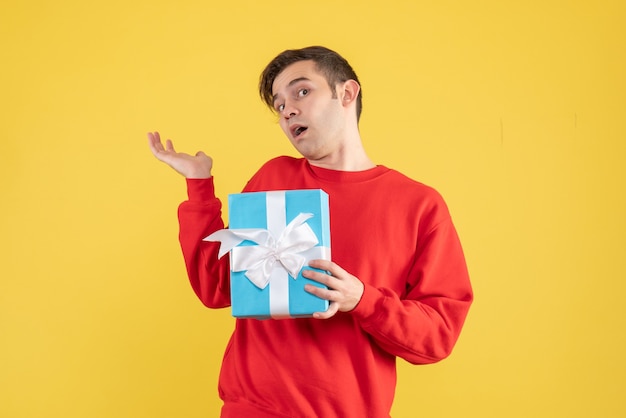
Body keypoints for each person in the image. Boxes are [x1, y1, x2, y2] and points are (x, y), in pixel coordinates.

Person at [148, 46, 473, 418]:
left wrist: (362, 299)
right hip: (252, 409)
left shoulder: (418, 205)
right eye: (279, 103)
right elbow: (217, 286)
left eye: (302, 91)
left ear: (347, 94)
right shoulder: (274, 179)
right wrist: (199, 185)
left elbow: (438, 336)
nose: (287, 109)